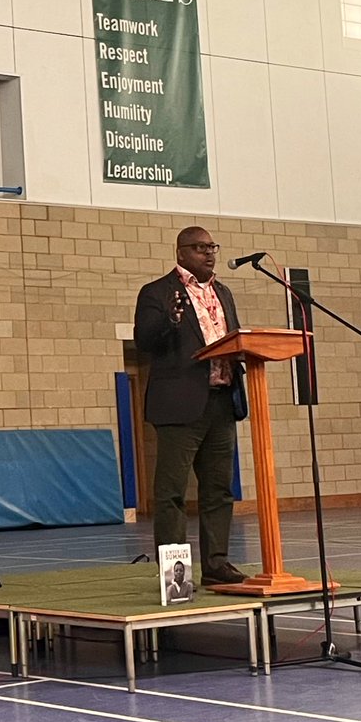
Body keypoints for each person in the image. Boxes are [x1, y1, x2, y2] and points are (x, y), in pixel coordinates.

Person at [133, 226, 249, 587]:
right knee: (172, 492)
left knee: (219, 490)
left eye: (212, 247)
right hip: (179, 406)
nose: (209, 253)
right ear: (181, 252)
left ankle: (216, 566)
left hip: (222, 401)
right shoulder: (156, 292)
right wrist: (169, 320)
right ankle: (175, 576)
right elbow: (144, 341)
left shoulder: (223, 292)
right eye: (200, 248)